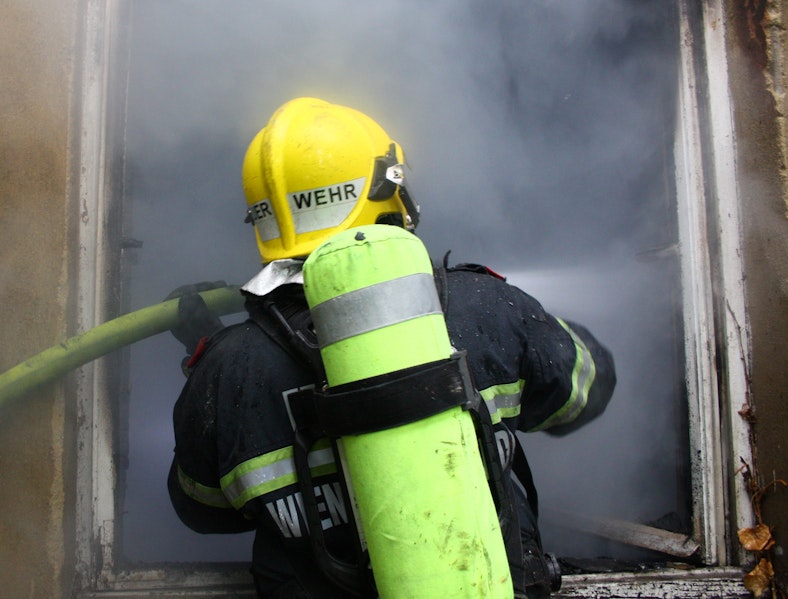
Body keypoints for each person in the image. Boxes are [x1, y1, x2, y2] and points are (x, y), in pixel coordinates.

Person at [166, 97, 616, 598]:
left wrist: (207, 356)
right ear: (385, 189)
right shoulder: (486, 307)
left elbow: (202, 509)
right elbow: (582, 391)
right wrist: (521, 326)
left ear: (264, 218)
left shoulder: (227, 370)